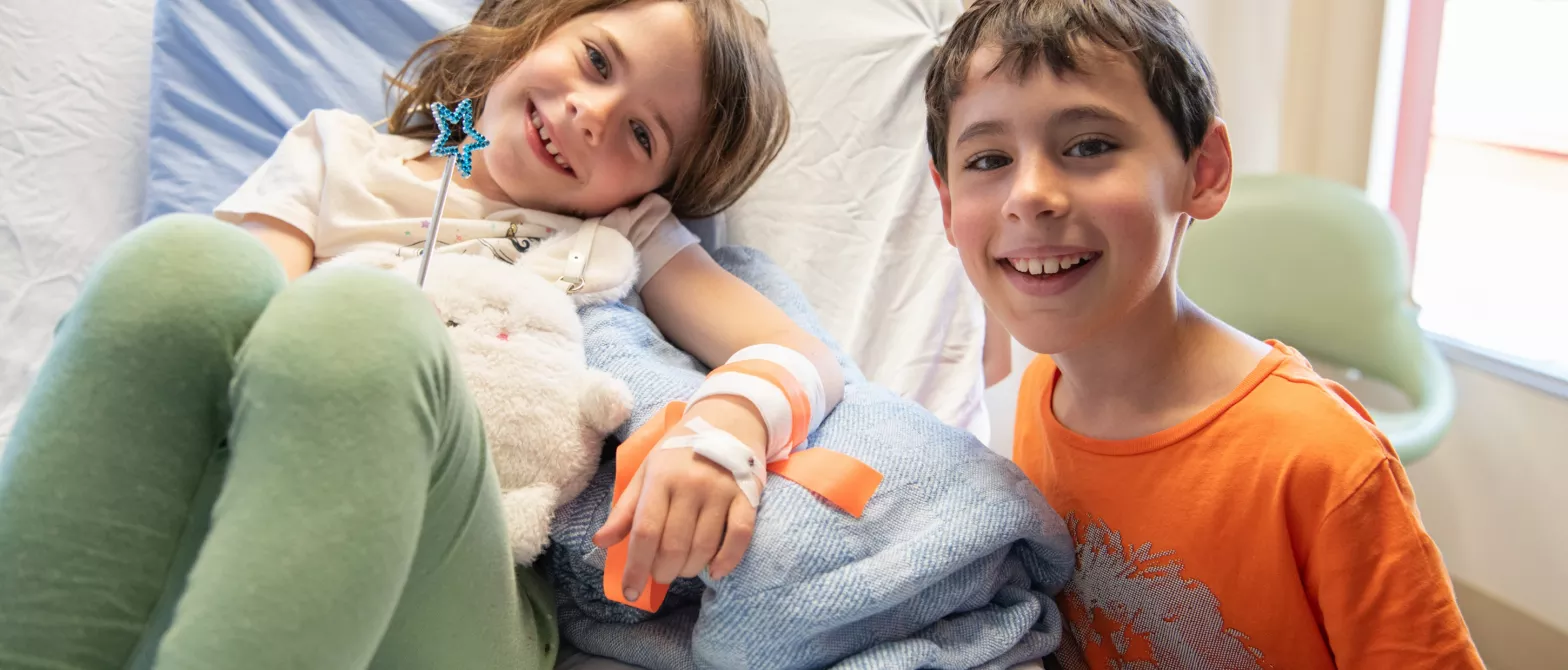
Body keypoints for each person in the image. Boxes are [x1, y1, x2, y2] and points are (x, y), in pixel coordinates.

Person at [0, 1, 841, 667]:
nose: (594, 114)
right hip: (230, 510)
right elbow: (233, 329)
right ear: (543, 23)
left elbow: (799, 354)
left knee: (364, 323)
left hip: (463, 592)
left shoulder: (626, 235)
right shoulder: (337, 153)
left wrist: (725, 430)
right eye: (596, 61)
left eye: (642, 135)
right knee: (182, 265)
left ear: (657, 184)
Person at [923, 1, 1484, 667]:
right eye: (988, 159)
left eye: (1090, 146)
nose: (1032, 193)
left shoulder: (1323, 461)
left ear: (1205, 171)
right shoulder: (1042, 392)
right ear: (948, 203)